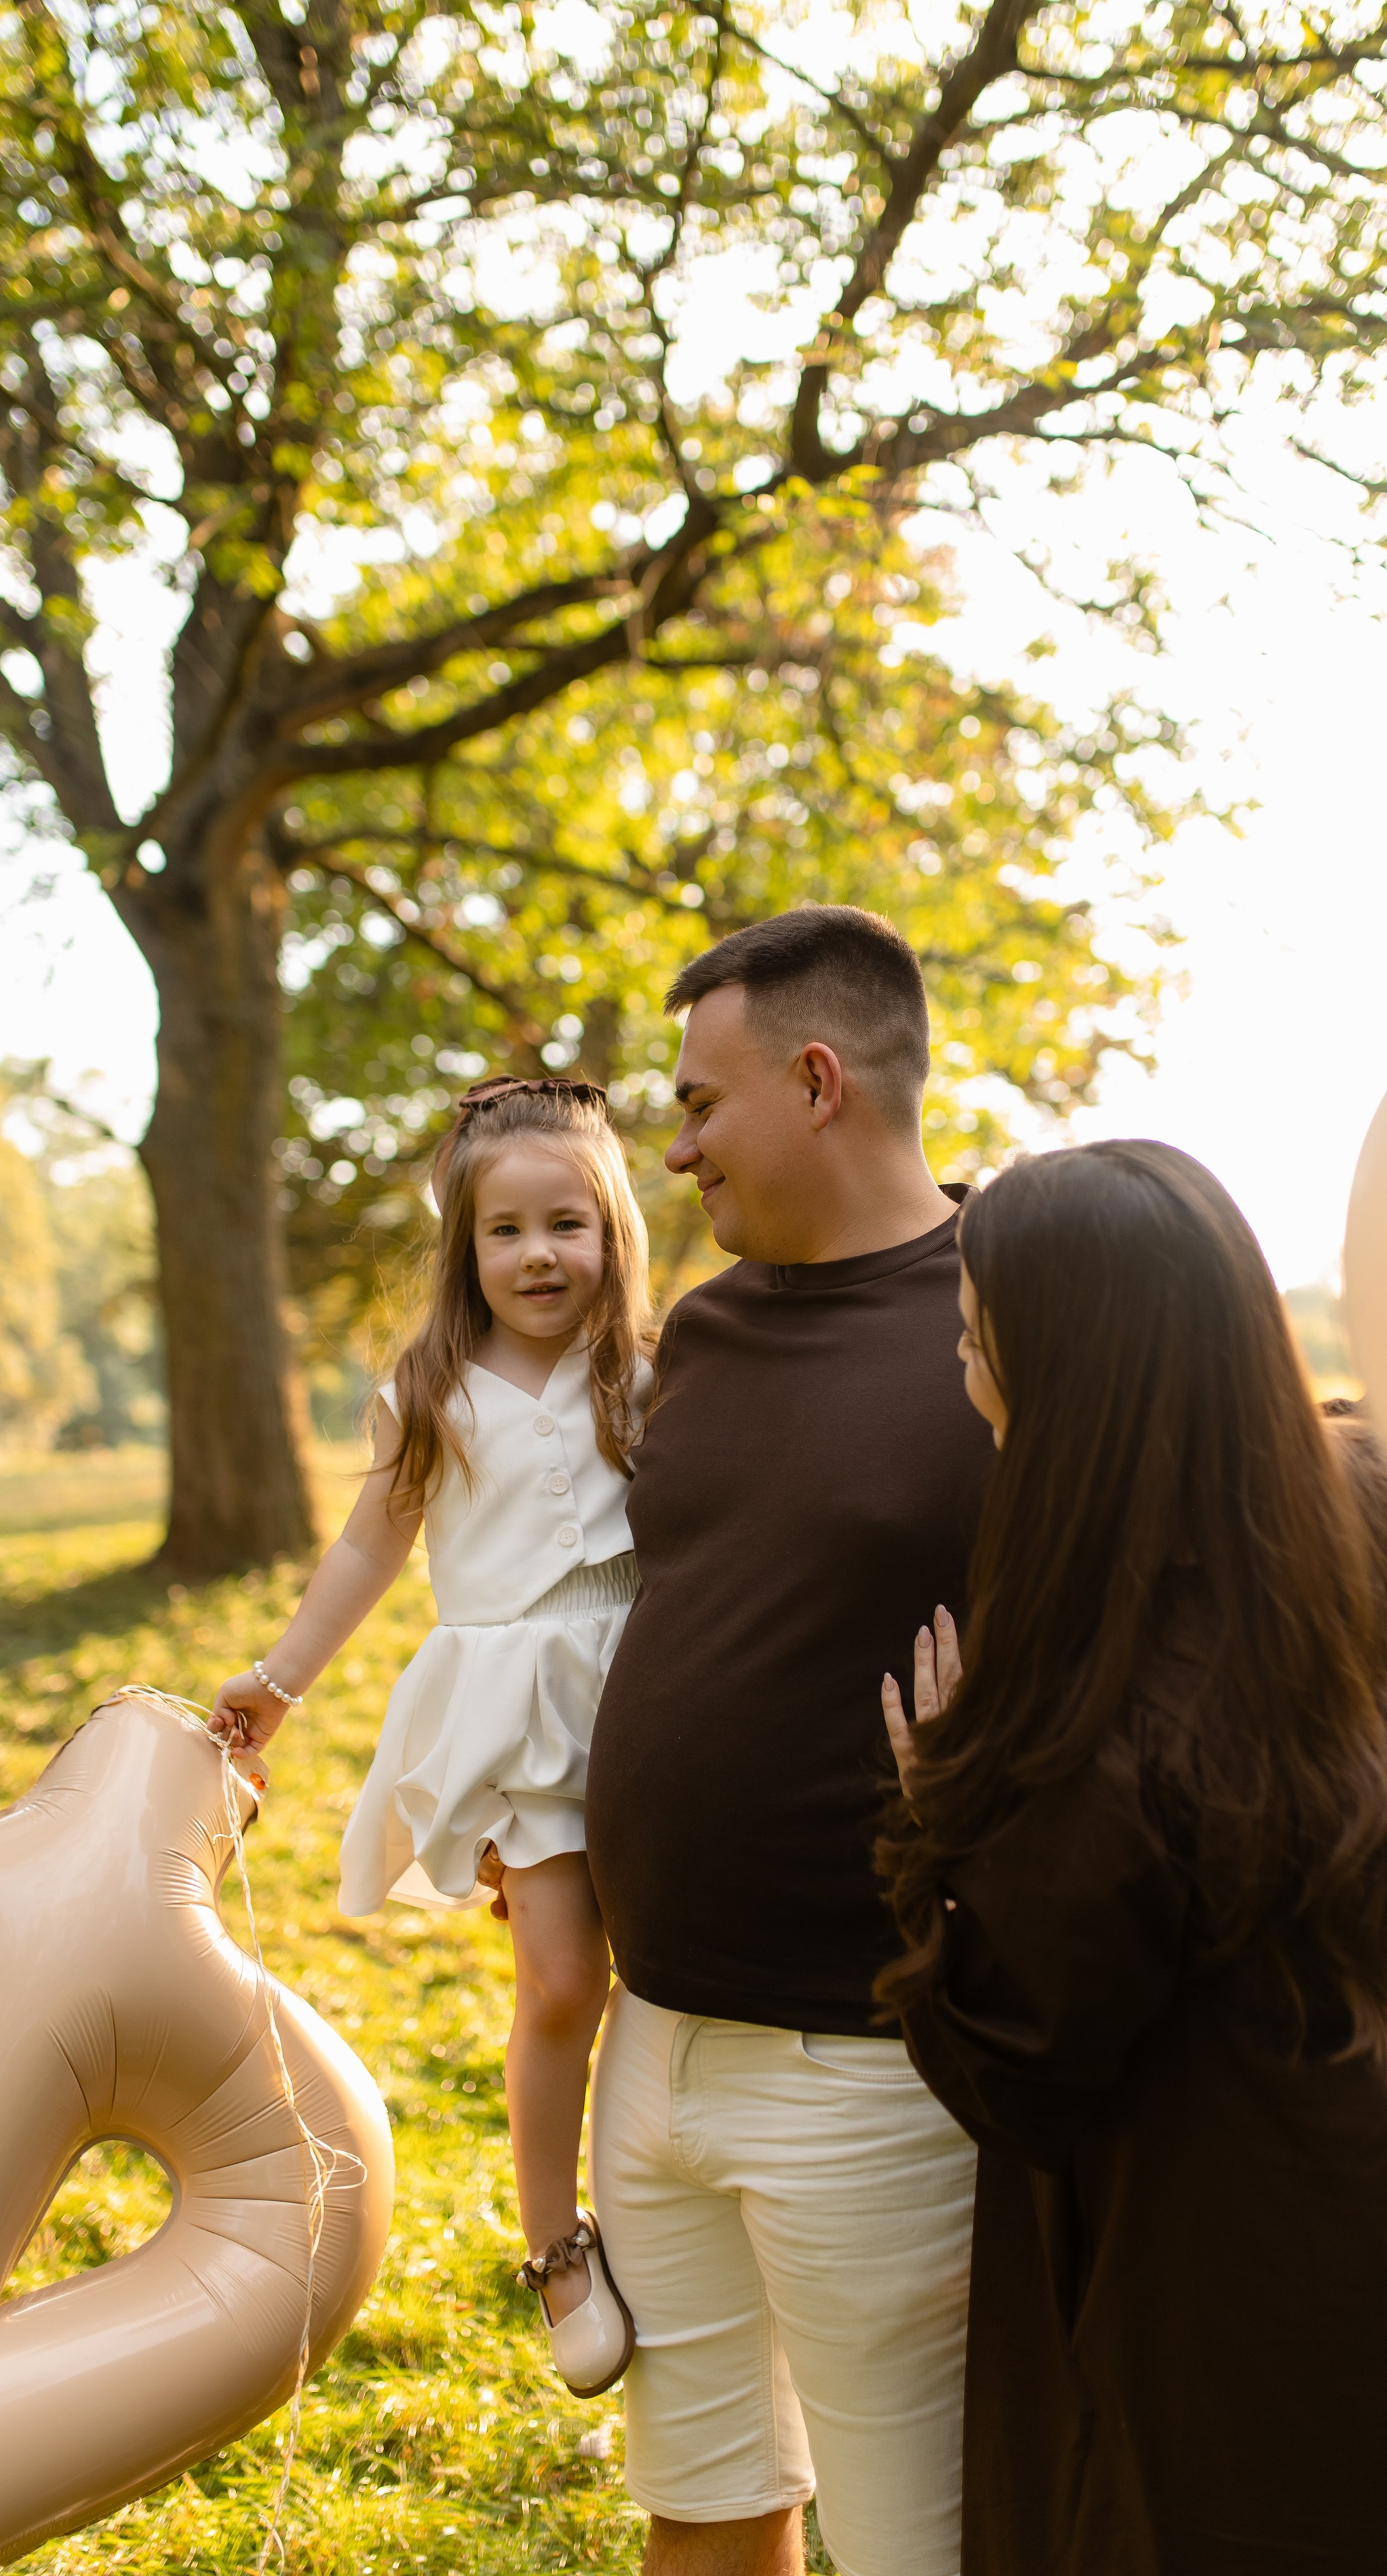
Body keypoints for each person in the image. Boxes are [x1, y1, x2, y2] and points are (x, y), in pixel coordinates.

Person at [877, 1141, 1387, 2576]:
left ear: (1067, 1381)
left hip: (1247, 2302)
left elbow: (1020, 2058)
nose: (963, 1376)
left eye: (973, 1342)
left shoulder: (1103, 1710)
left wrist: (935, 1823)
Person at [583, 905, 996, 2576]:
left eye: (700, 1104)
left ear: (817, 1081)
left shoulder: (1008, 1320)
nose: (676, 1149)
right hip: (650, 2038)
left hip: (868, 2069)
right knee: (700, 2510)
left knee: (910, 2547)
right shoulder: (708, 1321)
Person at [210, 1077, 652, 2399]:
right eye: (504, 1230)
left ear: (612, 1228)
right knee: (562, 1980)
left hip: (651, 1689)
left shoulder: (650, 1370)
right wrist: (280, 1681)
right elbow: (369, 1547)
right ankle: (555, 2242)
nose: (537, 1255)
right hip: (518, 1710)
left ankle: (670, 2202)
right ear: (464, 1246)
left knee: (669, 1969)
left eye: (566, 1224)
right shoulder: (431, 1389)